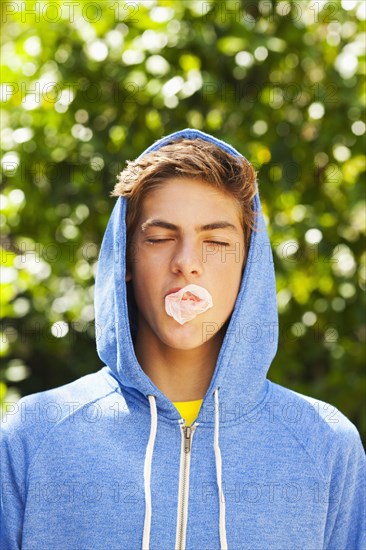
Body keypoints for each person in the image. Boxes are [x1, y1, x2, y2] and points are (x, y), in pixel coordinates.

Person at [1, 128, 365, 550]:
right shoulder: (33, 436)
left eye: (216, 241)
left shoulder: (326, 445)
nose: (187, 263)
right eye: (159, 239)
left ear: (249, 264)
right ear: (127, 259)